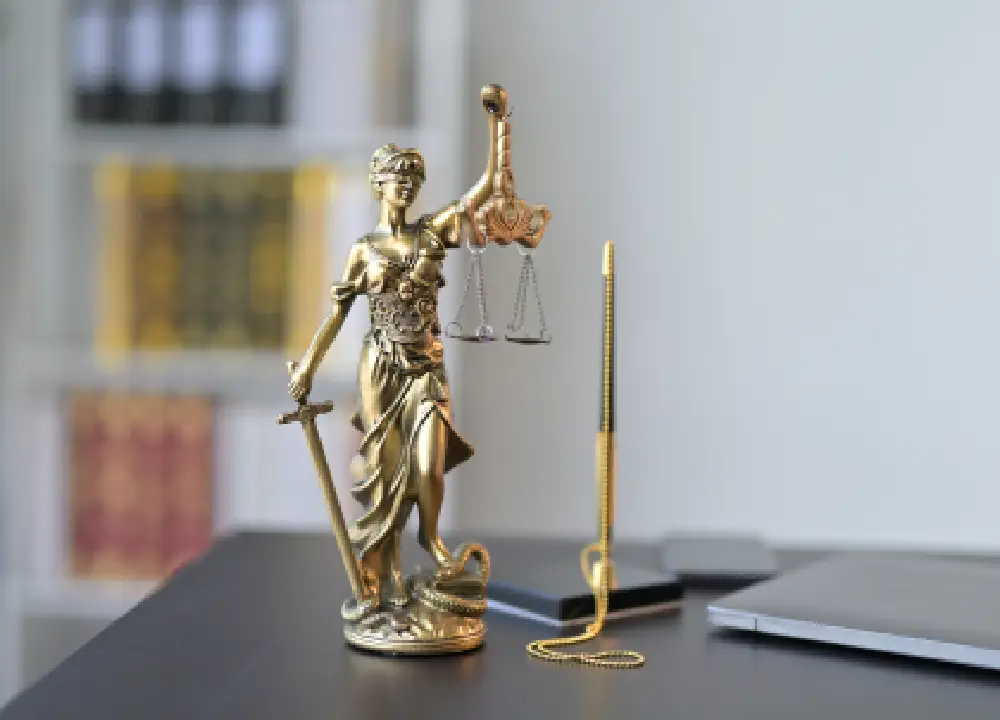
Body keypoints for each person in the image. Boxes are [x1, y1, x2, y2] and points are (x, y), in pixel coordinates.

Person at [288, 86, 508, 611]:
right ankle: (384, 583)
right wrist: (309, 370)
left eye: (414, 180)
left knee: (429, 467)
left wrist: (500, 129)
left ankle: (432, 543)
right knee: (385, 475)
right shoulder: (364, 250)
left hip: (426, 365)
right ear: (377, 186)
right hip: (380, 367)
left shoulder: (431, 236)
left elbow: (485, 190)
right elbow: (337, 314)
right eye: (397, 180)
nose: (407, 187)